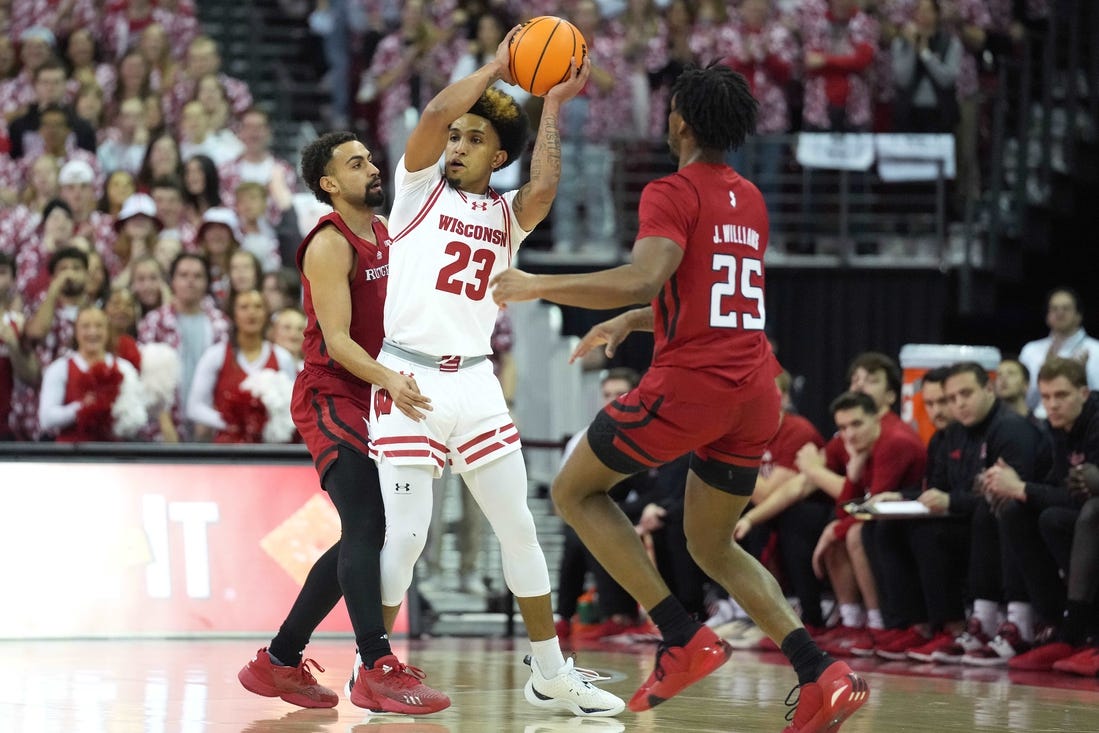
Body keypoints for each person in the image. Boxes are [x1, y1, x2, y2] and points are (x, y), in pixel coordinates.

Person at [490, 64, 869, 731]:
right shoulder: (748, 196)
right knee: (712, 543)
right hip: (753, 386)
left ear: (680, 123)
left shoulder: (670, 189)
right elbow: (701, 297)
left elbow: (646, 275)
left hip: (696, 383)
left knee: (574, 491)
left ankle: (680, 634)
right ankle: (821, 670)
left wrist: (537, 284)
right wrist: (632, 322)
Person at [366, 31, 623, 717]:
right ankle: (376, 665)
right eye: (456, 137)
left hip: (475, 381)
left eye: (472, 139)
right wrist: (498, 68)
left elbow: (543, 186)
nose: (454, 146)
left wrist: (556, 104)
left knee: (518, 527)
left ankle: (549, 670)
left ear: (496, 155)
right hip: (407, 377)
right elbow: (426, 119)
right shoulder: (417, 189)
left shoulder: (505, 214)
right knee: (409, 534)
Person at [237, 131, 449, 714]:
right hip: (330, 392)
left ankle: (277, 661)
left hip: (373, 391)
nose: (372, 167)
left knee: (366, 530)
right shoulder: (329, 244)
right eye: (356, 164)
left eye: (370, 158)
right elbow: (337, 342)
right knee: (369, 521)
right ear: (330, 184)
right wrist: (390, 381)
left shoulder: (384, 232)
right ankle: (376, 664)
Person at [186, 289, 298, 443]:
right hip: (227, 451)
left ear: (266, 313)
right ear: (233, 314)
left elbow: (293, 407)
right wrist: (233, 422)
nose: (251, 313)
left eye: (258, 307)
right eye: (244, 307)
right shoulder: (215, 355)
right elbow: (194, 406)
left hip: (270, 451)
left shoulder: (282, 357)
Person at [1018, 287, 1099, 415]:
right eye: (1054, 309)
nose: (1059, 313)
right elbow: (1024, 399)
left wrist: (1081, 377)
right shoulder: (1031, 350)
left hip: (1083, 425)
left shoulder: (1096, 350)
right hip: (1036, 421)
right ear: (1047, 315)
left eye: (1066, 308)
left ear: (1079, 315)